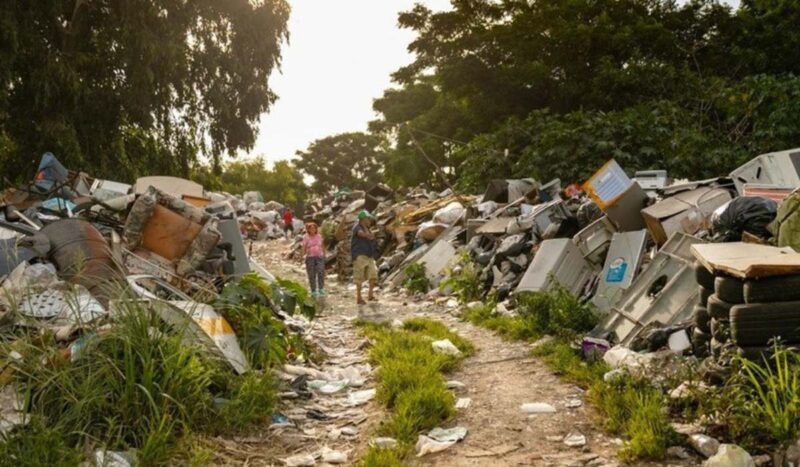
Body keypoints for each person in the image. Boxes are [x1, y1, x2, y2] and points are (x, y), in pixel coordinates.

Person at [351, 210, 378, 305]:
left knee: (373, 274)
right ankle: (359, 298)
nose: (369, 220)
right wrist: (368, 236)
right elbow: (359, 233)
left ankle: (370, 295)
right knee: (359, 277)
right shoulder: (357, 226)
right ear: (364, 219)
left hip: (369, 255)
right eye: (368, 218)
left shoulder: (367, 228)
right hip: (360, 255)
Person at [301, 222, 326, 297]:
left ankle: (321, 288)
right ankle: (313, 290)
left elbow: (322, 245)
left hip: (319, 257)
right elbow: (303, 246)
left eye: (314, 228)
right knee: (311, 274)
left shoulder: (319, 236)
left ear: (316, 229)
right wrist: (302, 255)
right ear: (308, 230)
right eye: (311, 229)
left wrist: (324, 254)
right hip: (310, 258)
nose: (313, 230)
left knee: (320, 271)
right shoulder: (306, 237)